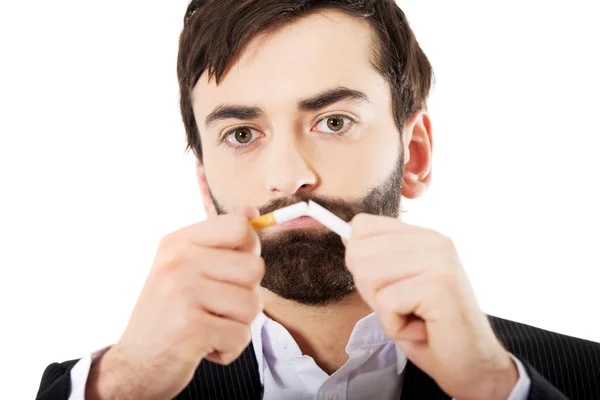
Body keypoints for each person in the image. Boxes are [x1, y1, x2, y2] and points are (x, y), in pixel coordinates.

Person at [36, 1, 600, 399]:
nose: (289, 177)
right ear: (205, 184)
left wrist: (494, 390)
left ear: (417, 155)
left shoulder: (580, 378)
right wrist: (123, 388)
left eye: (334, 121)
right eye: (241, 134)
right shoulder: (110, 389)